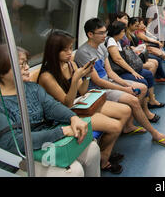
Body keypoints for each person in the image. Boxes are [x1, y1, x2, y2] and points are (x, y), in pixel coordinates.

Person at [0, 44, 101, 177]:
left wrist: (73, 118)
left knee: (92, 149)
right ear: (0, 70)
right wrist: (62, 132)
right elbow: (15, 143)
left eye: (27, 63)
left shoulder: (31, 88)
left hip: (44, 145)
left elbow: (51, 106)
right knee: (73, 171)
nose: (27, 68)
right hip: (16, 161)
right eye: (21, 64)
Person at [38, 30, 136, 174]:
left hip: (80, 104)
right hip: (65, 114)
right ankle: (104, 160)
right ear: (54, 51)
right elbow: (67, 103)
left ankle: (104, 153)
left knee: (126, 111)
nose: (69, 53)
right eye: (64, 50)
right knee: (115, 126)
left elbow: (82, 91)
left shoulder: (70, 65)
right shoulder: (47, 76)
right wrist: (76, 78)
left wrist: (87, 76)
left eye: (70, 48)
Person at [74, 18, 165, 148]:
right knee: (133, 100)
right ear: (90, 34)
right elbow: (97, 81)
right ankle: (155, 134)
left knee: (142, 87)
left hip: (108, 81)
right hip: (96, 89)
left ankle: (128, 125)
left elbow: (110, 73)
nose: (105, 36)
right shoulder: (83, 53)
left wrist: (125, 84)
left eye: (105, 32)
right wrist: (123, 89)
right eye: (101, 33)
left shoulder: (101, 47)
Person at [107, 20, 165, 108]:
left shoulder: (117, 42)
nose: (124, 34)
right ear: (117, 32)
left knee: (149, 74)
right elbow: (118, 59)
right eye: (123, 31)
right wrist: (133, 71)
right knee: (143, 81)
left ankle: (151, 100)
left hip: (124, 68)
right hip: (119, 71)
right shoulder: (111, 41)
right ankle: (141, 107)